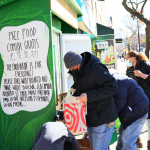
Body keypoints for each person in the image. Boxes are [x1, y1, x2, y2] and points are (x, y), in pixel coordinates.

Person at [63, 51, 118, 150]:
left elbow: (112, 87)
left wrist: (88, 96)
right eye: (69, 69)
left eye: (73, 68)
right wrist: (73, 92)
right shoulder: (77, 70)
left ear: (80, 62)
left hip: (103, 117)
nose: (72, 70)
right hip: (90, 117)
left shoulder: (96, 68)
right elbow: (83, 85)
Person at [109, 68, 149, 150]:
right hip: (133, 112)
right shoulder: (116, 77)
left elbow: (119, 103)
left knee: (127, 142)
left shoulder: (117, 81)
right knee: (122, 136)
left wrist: (110, 118)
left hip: (136, 114)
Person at [126, 51, 150, 149]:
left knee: (149, 121)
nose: (126, 61)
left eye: (127, 59)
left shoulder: (144, 65)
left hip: (148, 98)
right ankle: (137, 141)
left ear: (133, 58)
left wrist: (142, 75)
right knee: (136, 121)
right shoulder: (129, 70)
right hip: (136, 100)